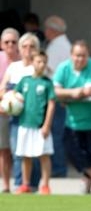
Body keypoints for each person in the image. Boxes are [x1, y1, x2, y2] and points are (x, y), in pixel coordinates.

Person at [53, 40, 91, 195]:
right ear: (71, 55)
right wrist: (72, 93)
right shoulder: (63, 68)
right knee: (73, 152)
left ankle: (89, 185)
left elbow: (89, 90)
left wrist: (67, 94)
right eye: (77, 55)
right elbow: (55, 91)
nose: (80, 59)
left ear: (88, 56)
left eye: (83, 56)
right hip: (72, 121)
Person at [0, 32, 41, 189]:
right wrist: (8, 99)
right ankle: (19, 185)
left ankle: (34, 185)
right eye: (24, 46)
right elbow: (3, 88)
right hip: (15, 117)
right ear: (20, 48)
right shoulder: (14, 67)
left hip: (33, 116)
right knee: (17, 151)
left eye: (32, 46)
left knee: (34, 153)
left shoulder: (38, 68)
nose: (28, 50)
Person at [14, 51, 56, 194]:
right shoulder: (25, 81)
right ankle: (25, 184)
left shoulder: (47, 83)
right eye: (39, 61)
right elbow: (14, 95)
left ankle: (45, 185)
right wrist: (12, 102)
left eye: (44, 62)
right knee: (25, 155)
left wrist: (46, 125)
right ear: (32, 62)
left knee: (44, 155)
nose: (42, 64)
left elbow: (51, 104)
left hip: (40, 126)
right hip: (25, 124)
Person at [44, 15, 72, 178]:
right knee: (58, 133)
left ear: (52, 30)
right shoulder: (64, 44)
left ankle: (59, 168)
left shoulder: (56, 46)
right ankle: (59, 167)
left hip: (56, 96)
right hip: (61, 96)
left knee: (56, 133)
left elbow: (49, 72)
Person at [0, 28, 20, 192]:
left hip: (23, 113)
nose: (10, 45)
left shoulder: (24, 61)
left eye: (14, 42)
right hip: (3, 112)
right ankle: (6, 185)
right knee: (4, 150)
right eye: (7, 42)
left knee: (20, 150)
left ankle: (22, 184)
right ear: (1, 44)